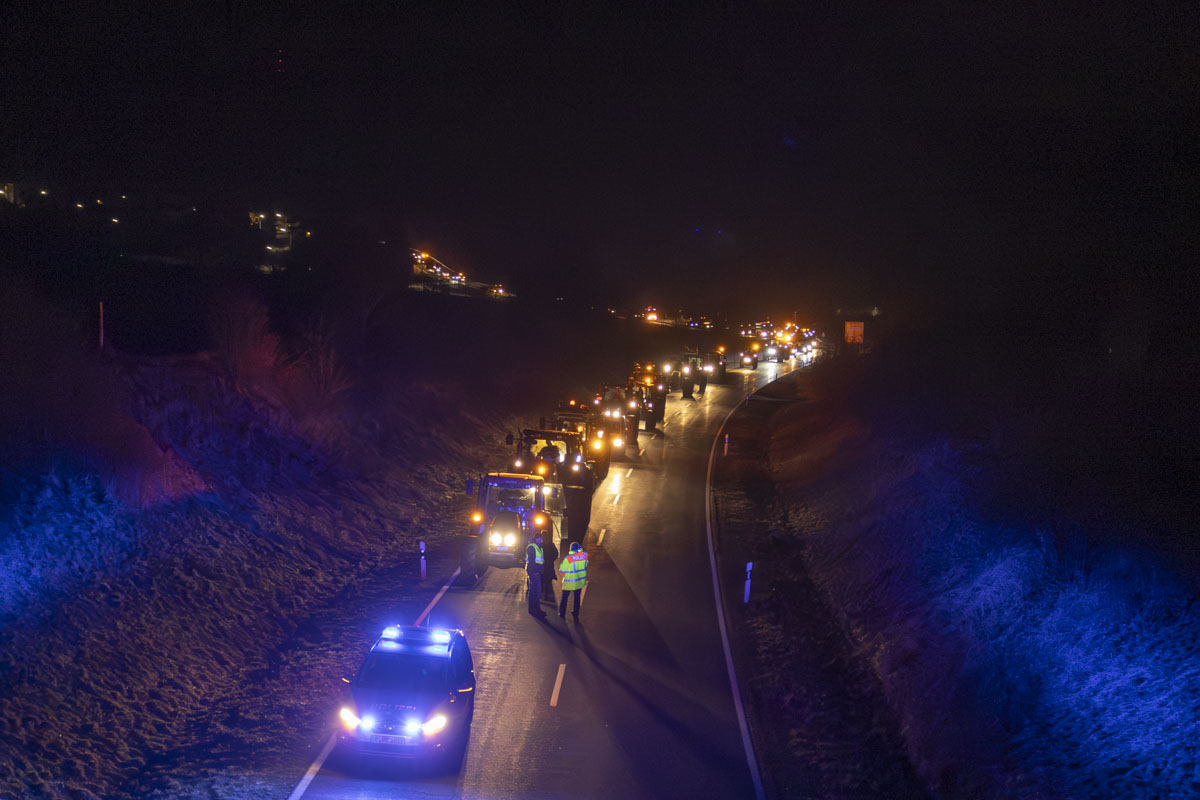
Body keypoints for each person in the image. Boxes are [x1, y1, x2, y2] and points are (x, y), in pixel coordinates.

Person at [558, 541, 588, 619]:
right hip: (579, 581)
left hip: (569, 582)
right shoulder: (584, 557)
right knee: (577, 598)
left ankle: (562, 612)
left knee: (564, 598)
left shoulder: (569, 558)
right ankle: (576, 612)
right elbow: (585, 567)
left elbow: (562, 571)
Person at [526, 533, 545, 617]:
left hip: (536, 572)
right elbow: (531, 561)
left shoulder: (539, 547)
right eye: (538, 538)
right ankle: (534, 609)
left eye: (540, 538)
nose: (540, 539)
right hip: (534, 572)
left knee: (536, 590)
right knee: (535, 591)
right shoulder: (532, 547)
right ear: (535, 539)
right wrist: (535, 571)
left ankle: (535, 609)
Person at [540, 534, 559, 603]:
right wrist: (552, 559)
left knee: (543, 579)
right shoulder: (551, 545)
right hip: (549, 564)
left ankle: (544, 594)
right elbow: (556, 553)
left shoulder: (541, 545)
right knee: (548, 580)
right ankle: (546, 594)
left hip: (543, 565)